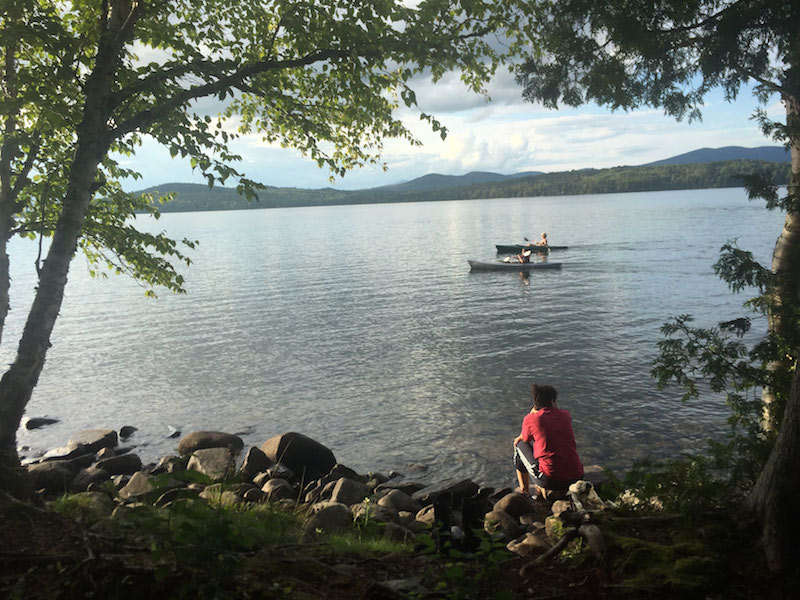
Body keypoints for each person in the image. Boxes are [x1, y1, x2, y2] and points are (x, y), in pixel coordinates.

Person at [513, 384, 583, 497]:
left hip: (551, 480)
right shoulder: (566, 415)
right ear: (553, 400)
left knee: (519, 445)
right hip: (577, 476)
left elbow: (525, 439)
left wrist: (532, 413)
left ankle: (524, 492)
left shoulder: (531, 419)